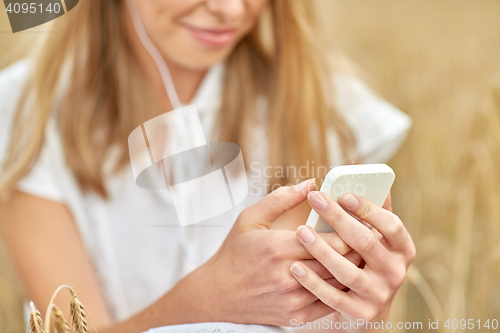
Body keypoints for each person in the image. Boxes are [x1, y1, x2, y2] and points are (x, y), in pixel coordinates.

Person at [0, 0, 415, 332]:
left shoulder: (326, 103)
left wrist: (364, 317)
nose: (232, 10)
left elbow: (314, 320)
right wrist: (200, 302)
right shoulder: (27, 111)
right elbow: (68, 327)